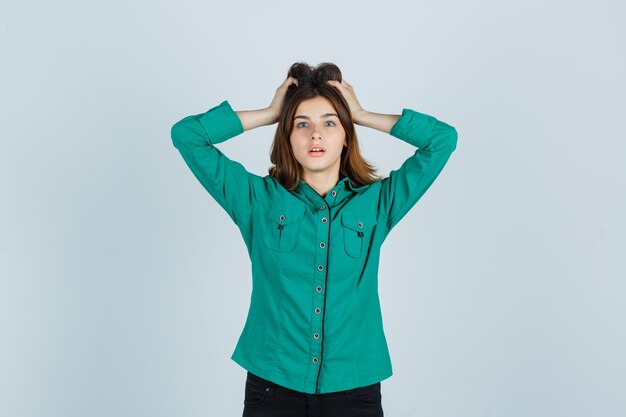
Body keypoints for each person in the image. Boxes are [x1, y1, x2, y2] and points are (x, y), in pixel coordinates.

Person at [170, 62, 458, 417]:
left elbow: (443, 139)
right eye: (302, 124)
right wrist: (271, 113)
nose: (315, 135)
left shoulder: (378, 204)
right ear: (287, 137)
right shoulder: (256, 201)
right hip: (272, 386)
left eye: (330, 123)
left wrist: (362, 114)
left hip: (354, 388)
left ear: (346, 136)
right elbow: (187, 135)